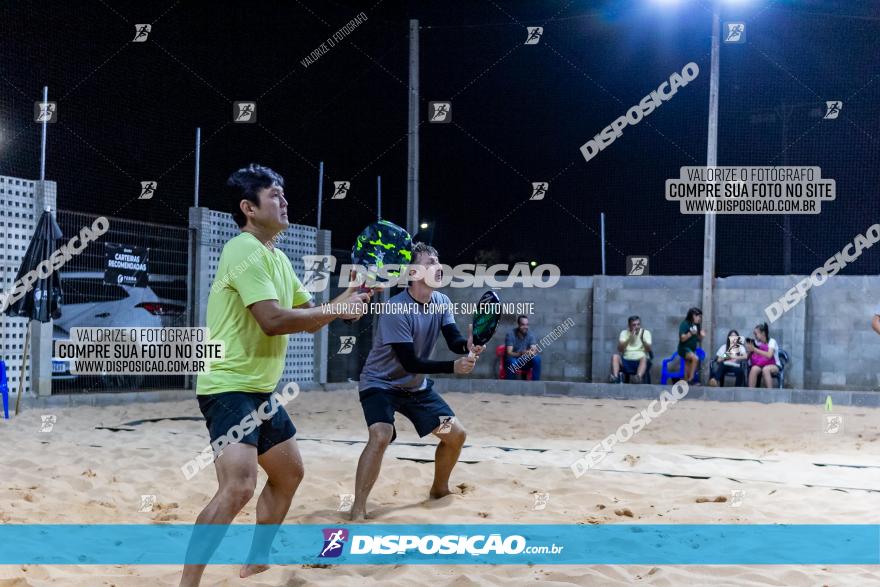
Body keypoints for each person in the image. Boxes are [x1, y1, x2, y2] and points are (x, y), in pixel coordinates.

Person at [180, 165, 371, 587]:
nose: (285, 202)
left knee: (289, 474)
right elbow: (272, 319)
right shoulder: (242, 250)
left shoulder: (277, 258)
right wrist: (334, 309)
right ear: (248, 208)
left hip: (261, 390)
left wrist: (348, 297)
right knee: (238, 488)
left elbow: (311, 317)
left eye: (284, 195)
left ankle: (255, 561)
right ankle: (188, 583)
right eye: (275, 196)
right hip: (228, 385)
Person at [351, 242, 484, 521]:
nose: (437, 267)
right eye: (430, 262)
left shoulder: (442, 302)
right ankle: (358, 508)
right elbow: (409, 361)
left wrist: (467, 346)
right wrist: (454, 366)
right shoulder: (395, 308)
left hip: (415, 388)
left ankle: (438, 489)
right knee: (381, 434)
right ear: (413, 271)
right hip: (380, 384)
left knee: (456, 435)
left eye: (438, 261)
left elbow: (453, 338)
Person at [610, 315, 652, 384]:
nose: (636, 327)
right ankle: (615, 377)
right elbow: (620, 349)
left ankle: (638, 378)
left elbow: (648, 349)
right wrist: (629, 338)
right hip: (626, 360)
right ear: (629, 326)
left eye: (638, 324)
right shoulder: (624, 333)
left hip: (640, 361)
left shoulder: (645, 333)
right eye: (634, 325)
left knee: (644, 358)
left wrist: (642, 339)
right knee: (615, 356)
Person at [504, 315, 541, 380]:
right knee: (512, 362)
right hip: (515, 360)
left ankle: (535, 384)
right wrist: (520, 353)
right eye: (523, 325)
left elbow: (534, 350)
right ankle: (510, 385)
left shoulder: (530, 334)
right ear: (518, 325)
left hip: (525, 361)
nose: (525, 327)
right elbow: (509, 353)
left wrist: (529, 352)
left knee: (537, 359)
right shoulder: (511, 334)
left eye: (527, 325)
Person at [746, 322, 781, 388]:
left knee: (766, 369)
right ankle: (750, 393)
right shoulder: (756, 342)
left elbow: (769, 355)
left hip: (774, 365)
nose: (755, 335)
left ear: (763, 333)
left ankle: (770, 394)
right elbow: (746, 356)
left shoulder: (772, 341)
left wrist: (755, 350)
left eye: (756, 333)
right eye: (754, 334)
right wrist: (749, 350)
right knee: (753, 369)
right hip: (761, 364)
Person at [677, 307, 704, 383]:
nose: (700, 319)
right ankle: (691, 379)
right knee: (695, 358)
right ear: (693, 316)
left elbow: (697, 340)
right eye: (699, 316)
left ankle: (686, 382)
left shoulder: (697, 325)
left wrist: (701, 336)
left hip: (691, 350)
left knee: (688, 366)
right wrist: (690, 333)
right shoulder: (685, 324)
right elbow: (682, 339)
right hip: (684, 348)